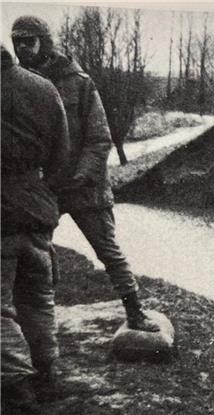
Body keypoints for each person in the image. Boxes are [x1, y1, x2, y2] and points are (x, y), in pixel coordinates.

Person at [11, 15, 159, 332]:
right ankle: (42, 322)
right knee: (38, 254)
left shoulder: (78, 82)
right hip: (44, 188)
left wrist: (80, 175)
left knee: (108, 251)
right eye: (17, 41)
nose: (23, 47)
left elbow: (99, 138)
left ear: (44, 41)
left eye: (29, 40)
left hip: (85, 188)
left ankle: (135, 312)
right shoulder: (18, 84)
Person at [1, 43, 70, 412]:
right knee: (38, 297)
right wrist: (40, 190)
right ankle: (46, 374)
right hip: (38, 209)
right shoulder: (43, 87)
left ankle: (16, 389)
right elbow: (62, 153)